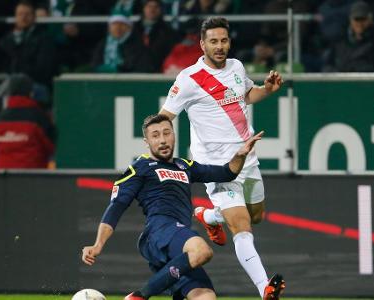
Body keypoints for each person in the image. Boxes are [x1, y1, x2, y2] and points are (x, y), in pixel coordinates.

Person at [159, 17, 285, 300]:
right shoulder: (189, 79)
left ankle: (209, 216)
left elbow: (246, 96)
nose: (219, 46)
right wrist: (160, 150)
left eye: (224, 40)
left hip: (247, 160)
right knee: (242, 225)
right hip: (215, 168)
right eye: (213, 41)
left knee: (257, 216)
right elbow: (165, 116)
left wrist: (267, 90)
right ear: (202, 44)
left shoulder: (237, 67)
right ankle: (264, 287)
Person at [82, 114, 265, 300]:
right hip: (158, 232)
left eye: (166, 133)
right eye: (155, 135)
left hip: (177, 247)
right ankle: (138, 296)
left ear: (174, 135)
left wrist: (240, 155)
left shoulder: (184, 165)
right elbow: (117, 206)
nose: (162, 140)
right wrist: (98, 244)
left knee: (206, 296)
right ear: (147, 142)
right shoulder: (141, 167)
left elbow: (227, 173)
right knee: (201, 251)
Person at [0, 74, 56, 169]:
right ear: (30, 93)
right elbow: (51, 148)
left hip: (4, 178)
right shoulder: (39, 119)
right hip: (33, 178)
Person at [0, 0, 57, 88]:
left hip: (35, 84)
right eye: (20, 14)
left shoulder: (44, 39)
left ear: (34, 17)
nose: (23, 17)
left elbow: (43, 70)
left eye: (27, 14)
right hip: (10, 84)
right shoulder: (6, 40)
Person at [322, 1, 374, 72]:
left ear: (370, 19)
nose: (360, 23)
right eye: (357, 19)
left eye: (363, 19)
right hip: (342, 81)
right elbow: (328, 64)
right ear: (350, 20)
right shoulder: (339, 40)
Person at [134, 0, 179, 72]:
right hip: (133, 73)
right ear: (143, 9)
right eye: (149, 6)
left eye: (156, 7)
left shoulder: (168, 32)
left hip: (158, 73)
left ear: (161, 10)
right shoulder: (133, 29)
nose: (152, 10)